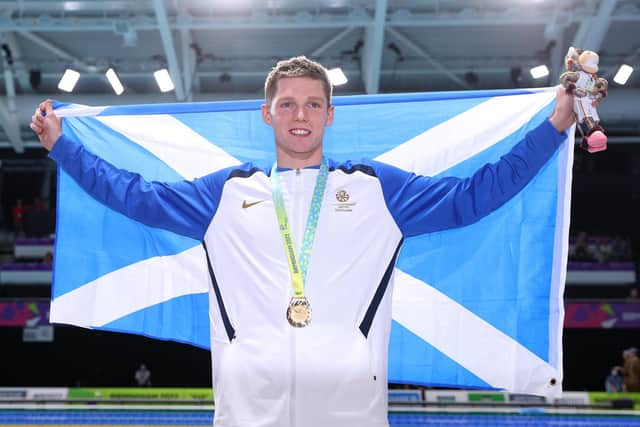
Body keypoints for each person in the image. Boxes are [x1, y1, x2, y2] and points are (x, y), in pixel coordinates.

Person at [31, 56, 575, 427]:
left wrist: (552, 127)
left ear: (330, 115)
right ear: (267, 113)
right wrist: (63, 148)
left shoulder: (376, 191)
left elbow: (474, 196)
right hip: (247, 416)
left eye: (313, 104)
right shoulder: (223, 195)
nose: (300, 115)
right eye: (287, 104)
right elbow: (134, 196)